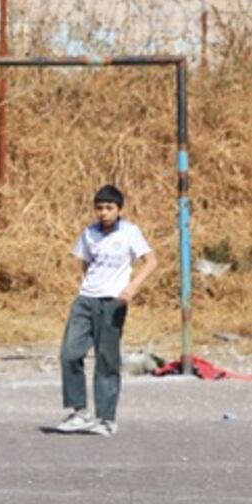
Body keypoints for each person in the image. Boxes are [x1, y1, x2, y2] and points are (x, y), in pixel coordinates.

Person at [55, 184, 157, 437]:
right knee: (70, 353)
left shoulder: (130, 232)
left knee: (106, 359)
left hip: (113, 302)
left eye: (109, 208)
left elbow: (151, 261)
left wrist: (131, 287)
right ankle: (78, 412)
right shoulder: (89, 233)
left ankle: (106, 418)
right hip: (86, 299)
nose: (103, 212)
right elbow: (86, 263)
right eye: (99, 208)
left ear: (118, 209)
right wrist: (89, 288)